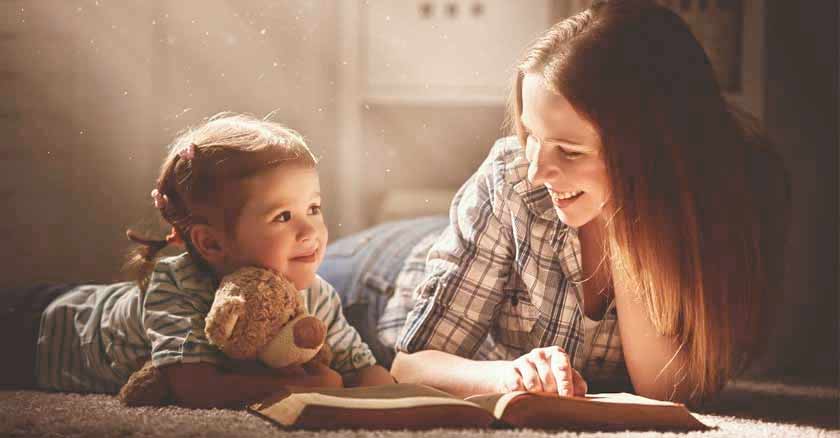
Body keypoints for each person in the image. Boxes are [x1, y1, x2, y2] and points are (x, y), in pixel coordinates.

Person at [319, 0, 789, 405]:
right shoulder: (513, 179)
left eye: (570, 150)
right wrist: (507, 377)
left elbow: (666, 393)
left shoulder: (715, 208)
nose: (538, 170)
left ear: (653, 156)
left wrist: (625, 218)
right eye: (532, 136)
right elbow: (411, 363)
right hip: (375, 278)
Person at [1, 113, 393, 408]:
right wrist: (297, 389)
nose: (310, 231)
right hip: (42, 330)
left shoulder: (315, 295)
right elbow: (192, 385)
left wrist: (398, 396)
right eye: (283, 217)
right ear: (212, 243)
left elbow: (358, 363)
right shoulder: (177, 282)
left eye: (314, 207)